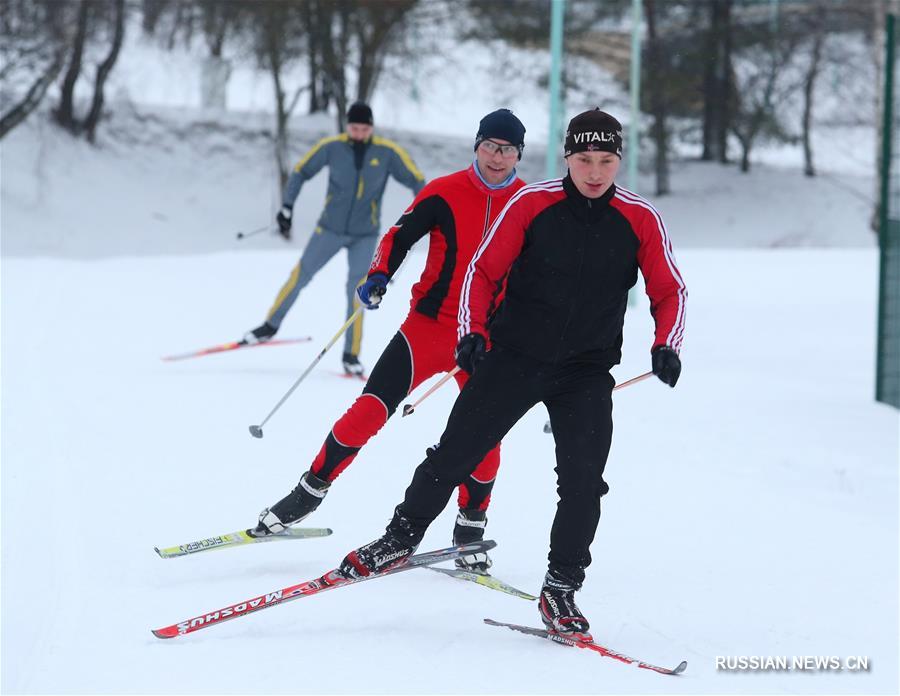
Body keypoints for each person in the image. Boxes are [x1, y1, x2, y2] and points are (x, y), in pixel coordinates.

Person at [334, 108, 687, 640]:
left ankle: (561, 588)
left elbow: (668, 289)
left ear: (619, 161)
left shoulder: (639, 218)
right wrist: (473, 332)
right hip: (515, 356)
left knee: (584, 483)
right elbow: (484, 270)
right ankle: (398, 538)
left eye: (606, 161)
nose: (594, 172)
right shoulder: (532, 203)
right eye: (584, 159)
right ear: (567, 157)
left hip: (586, 372)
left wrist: (666, 343)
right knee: (455, 452)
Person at [252, 110, 528, 572]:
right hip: (429, 326)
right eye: (489, 147)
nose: (497, 158)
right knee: (369, 407)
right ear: (476, 146)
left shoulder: (528, 203)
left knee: (485, 435)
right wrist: (379, 274)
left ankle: (471, 524)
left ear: (519, 154)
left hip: (487, 338)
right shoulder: (444, 190)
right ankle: (309, 491)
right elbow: (400, 235)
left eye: (508, 150)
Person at [243, 101, 426, 376]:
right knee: (301, 275)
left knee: (359, 291)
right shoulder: (332, 147)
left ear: (371, 128)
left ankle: (351, 354)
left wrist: (422, 214)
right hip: (329, 229)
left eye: (365, 128)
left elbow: (418, 181)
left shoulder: (387, 153)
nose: (359, 133)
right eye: (354, 127)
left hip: (365, 234)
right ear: (347, 126)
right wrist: (287, 206)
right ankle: (270, 325)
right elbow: (301, 171)